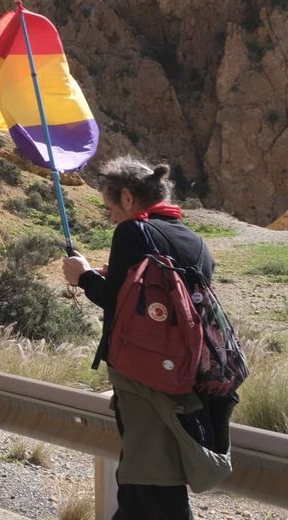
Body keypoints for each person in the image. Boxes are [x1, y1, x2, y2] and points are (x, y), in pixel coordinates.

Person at [63, 159, 221, 520]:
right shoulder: (192, 239)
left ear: (128, 198)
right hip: (186, 376)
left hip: (145, 379)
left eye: (110, 209)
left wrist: (82, 276)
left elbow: (114, 300)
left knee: (155, 488)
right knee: (137, 486)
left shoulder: (134, 232)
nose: (111, 219)